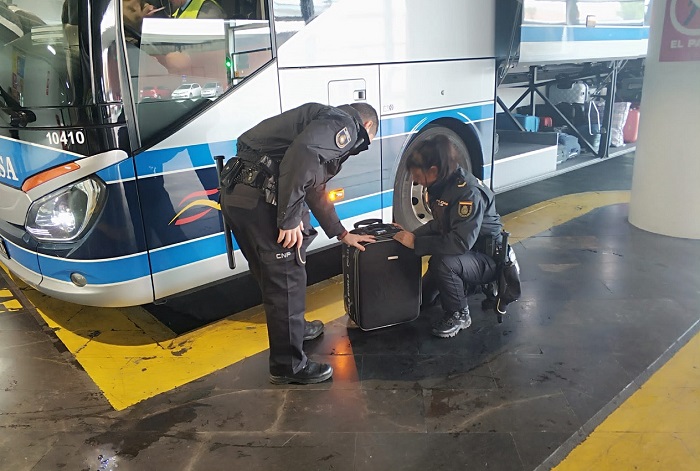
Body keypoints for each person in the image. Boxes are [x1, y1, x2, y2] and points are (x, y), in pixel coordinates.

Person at [220, 102, 379, 384]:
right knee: (286, 276)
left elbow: (314, 186)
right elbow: (303, 154)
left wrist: (341, 233)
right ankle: (288, 365)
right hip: (262, 201)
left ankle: (295, 329)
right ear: (366, 127)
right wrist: (289, 218)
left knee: (272, 275)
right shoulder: (344, 124)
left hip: (238, 196)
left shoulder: (317, 120)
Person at [393, 135, 505, 338]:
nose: (414, 179)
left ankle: (460, 313)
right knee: (422, 299)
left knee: (443, 262)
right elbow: (439, 224)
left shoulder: (467, 193)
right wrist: (411, 235)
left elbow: (460, 243)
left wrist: (417, 243)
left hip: (486, 258)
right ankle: (462, 287)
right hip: (469, 254)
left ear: (433, 170)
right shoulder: (443, 185)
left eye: (416, 174)